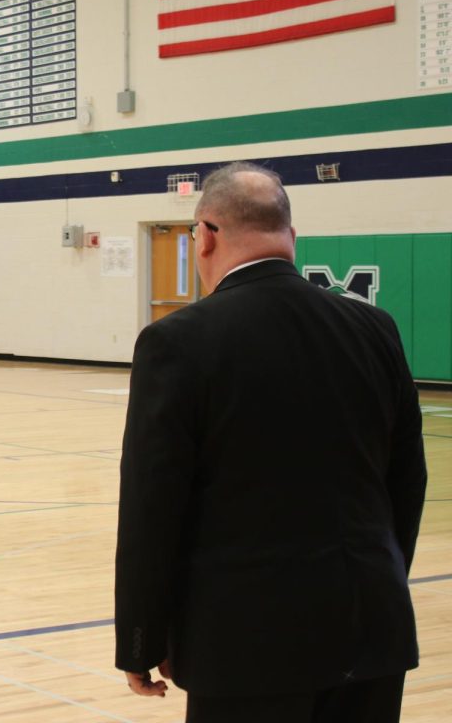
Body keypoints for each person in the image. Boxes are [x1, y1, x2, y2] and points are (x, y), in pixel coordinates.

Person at [114, 162, 426, 723]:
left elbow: (151, 507)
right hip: (373, 627)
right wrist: (379, 580)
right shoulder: (375, 329)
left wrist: (139, 636)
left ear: (204, 237)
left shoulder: (176, 342)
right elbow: (407, 482)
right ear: (291, 237)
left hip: (245, 646)